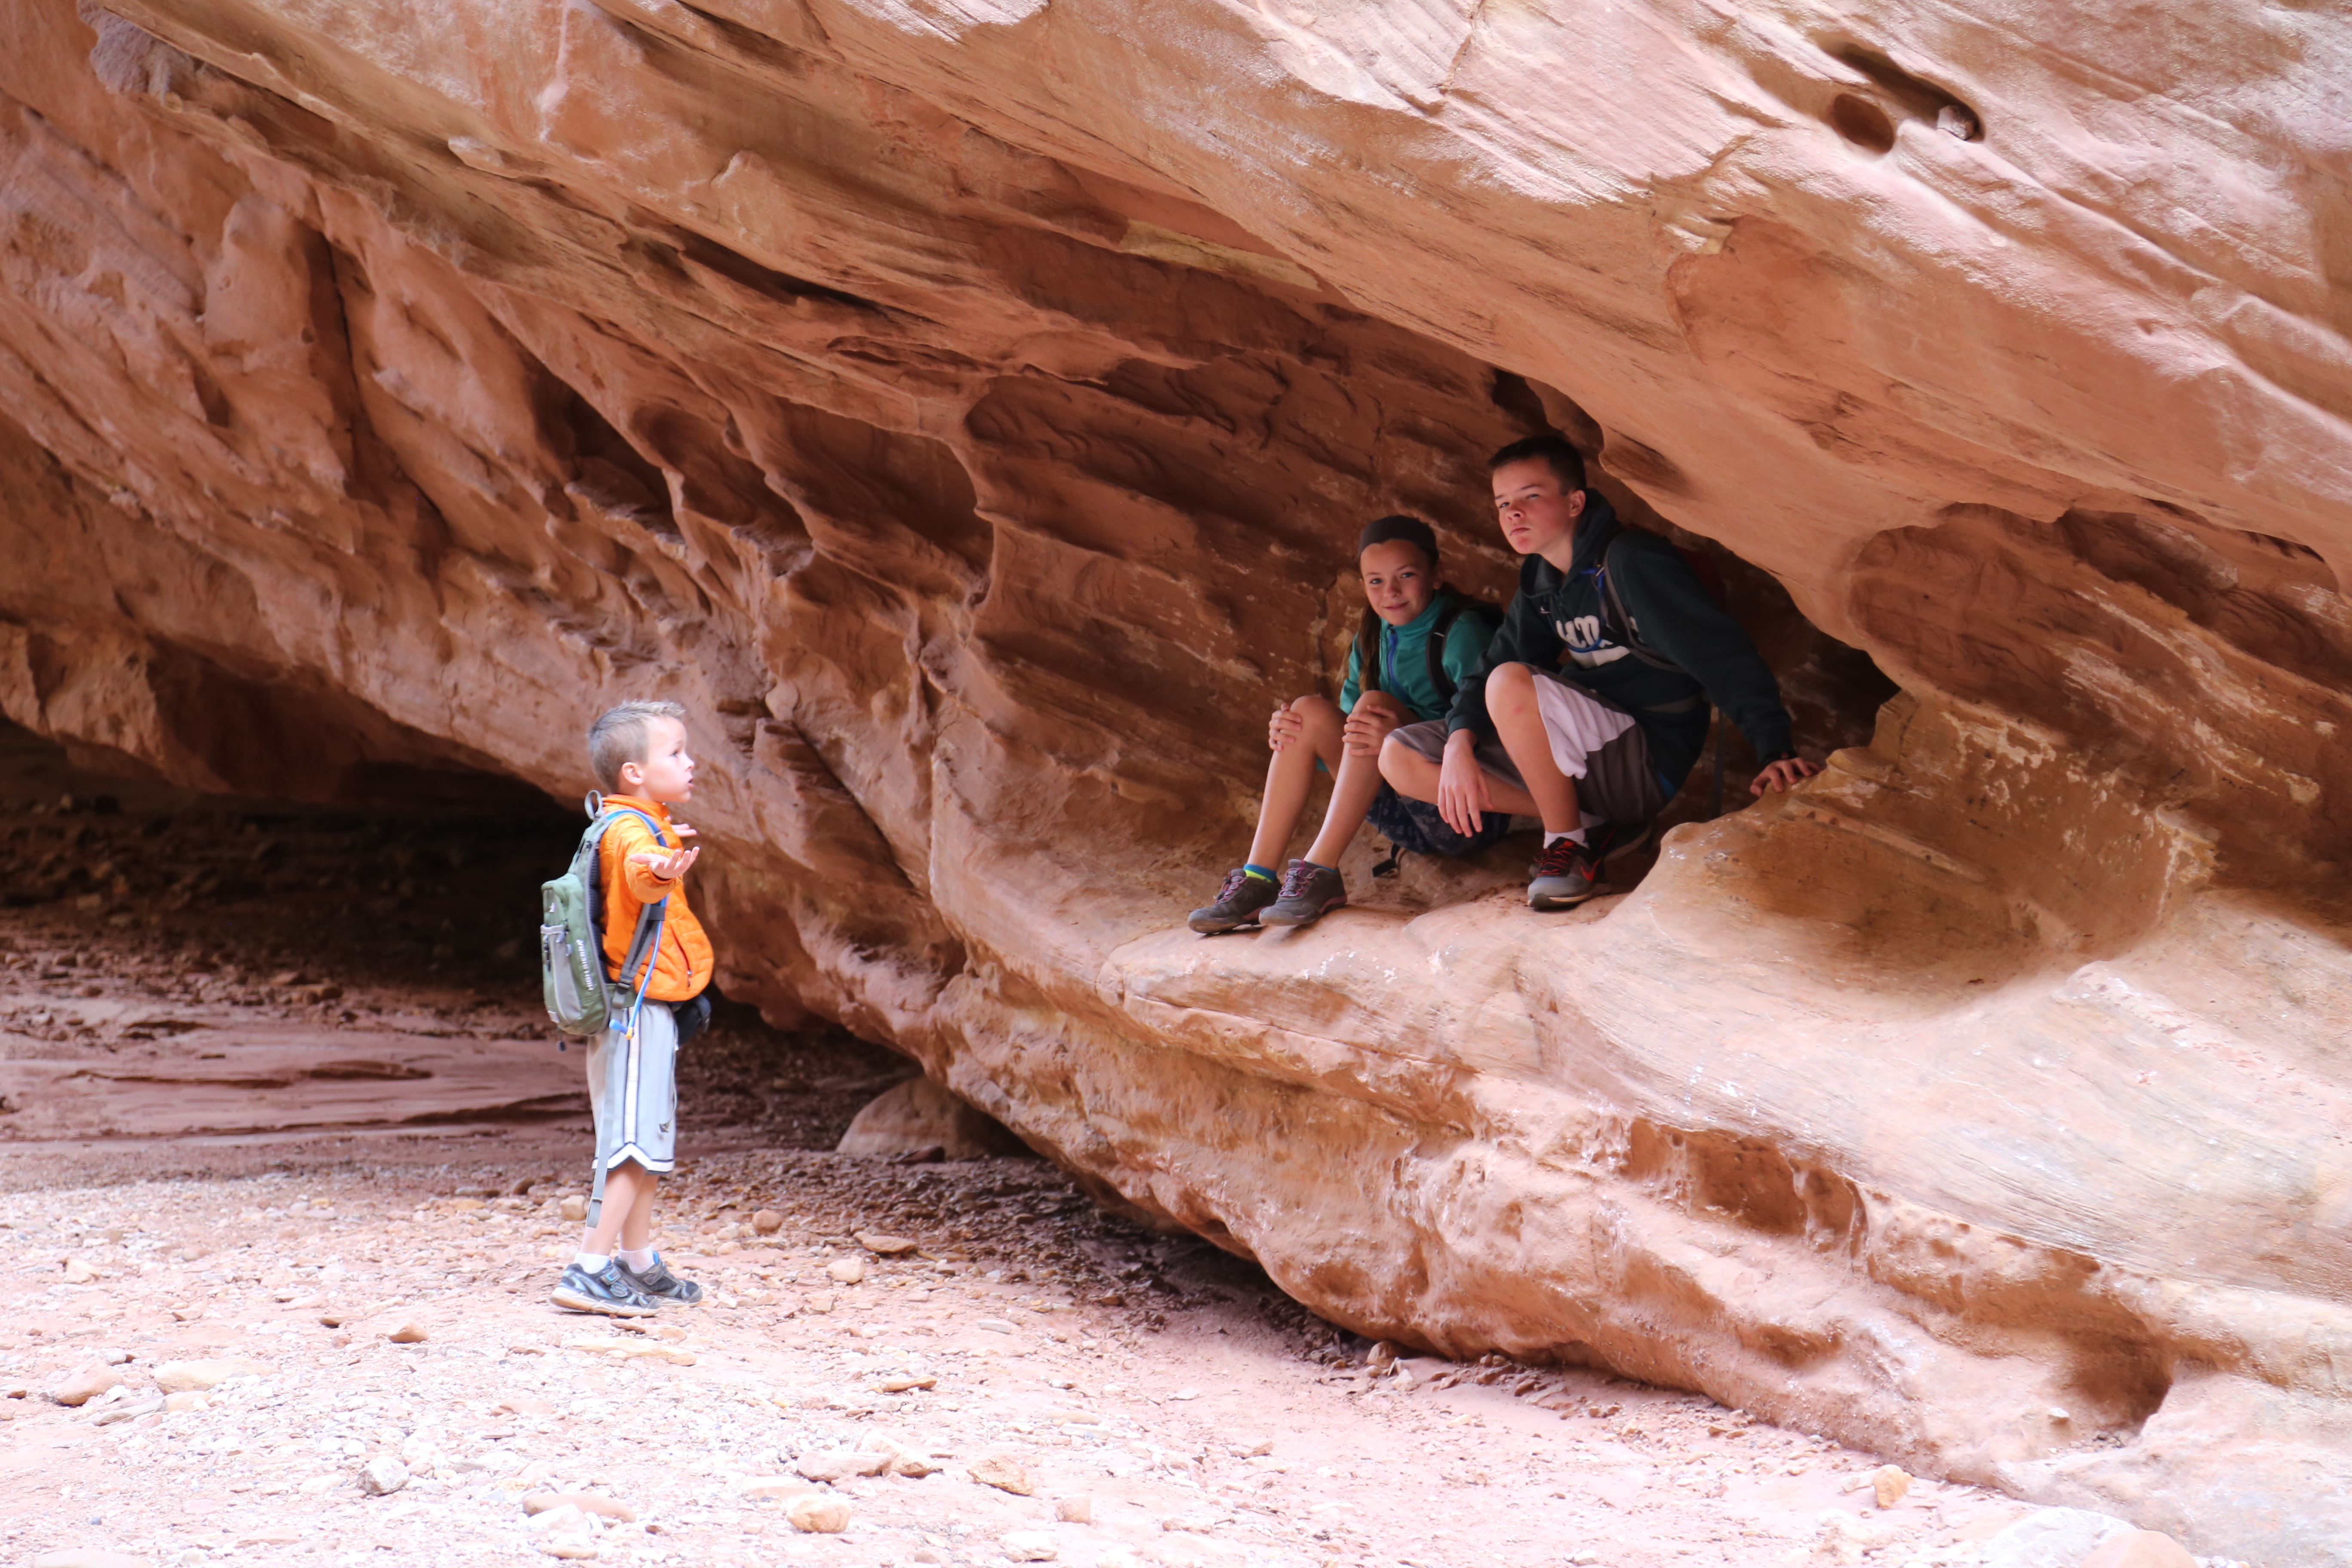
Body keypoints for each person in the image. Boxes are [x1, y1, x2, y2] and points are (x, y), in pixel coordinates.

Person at [1380, 434, 1817, 910]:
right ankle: (1588, 821)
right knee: (1399, 757)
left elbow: (1719, 653)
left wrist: (1774, 746)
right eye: (1503, 503)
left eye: (1531, 496)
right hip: (1588, 753)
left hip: (1645, 757)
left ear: (1575, 502)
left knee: (1510, 683)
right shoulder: (1541, 578)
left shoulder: (1629, 560)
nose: (1513, 514)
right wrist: (1461, 740)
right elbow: (1488, 669)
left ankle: (1567, 844)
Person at [1189, 516, 1504, 933]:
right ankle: (1257, 878)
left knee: (1373, 707)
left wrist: (1401, 728)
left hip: (1461, 810)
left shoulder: (1462, 634)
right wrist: (1292, 737)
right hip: (1400, 809)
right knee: (1305, 713)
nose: (1389, 592)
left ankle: (1321, 870)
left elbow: (1495, 733)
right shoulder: (1373, 634)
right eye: (1375, 581)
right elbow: (1350, 735)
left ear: (1437, 575)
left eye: (1405, 576)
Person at [550, 698, 716, 1317]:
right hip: (634, 1009)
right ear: (634, 774)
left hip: (645, 1007)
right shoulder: (629, 833)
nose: (690, 762)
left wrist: (663, 848)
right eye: (675, 752)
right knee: (630, 1145)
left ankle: (638, 1263)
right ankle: (588, 1268)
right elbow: (638, 873)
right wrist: (658, 867)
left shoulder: (640, 822)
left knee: (649, 1142)